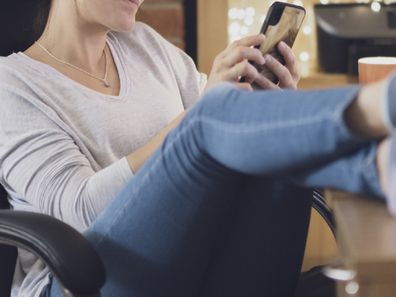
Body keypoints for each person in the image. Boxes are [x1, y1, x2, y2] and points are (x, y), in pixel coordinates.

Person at [0, 0, 393, 296]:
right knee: (207, 119)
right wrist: (198, 116)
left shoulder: (146, 46)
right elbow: (77, 213)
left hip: (200, 258)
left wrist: (268, 100)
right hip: (84, 281)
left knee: (262, 137)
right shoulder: (13, 85)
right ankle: (381, 110)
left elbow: (229, 130)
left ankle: (379, 163)